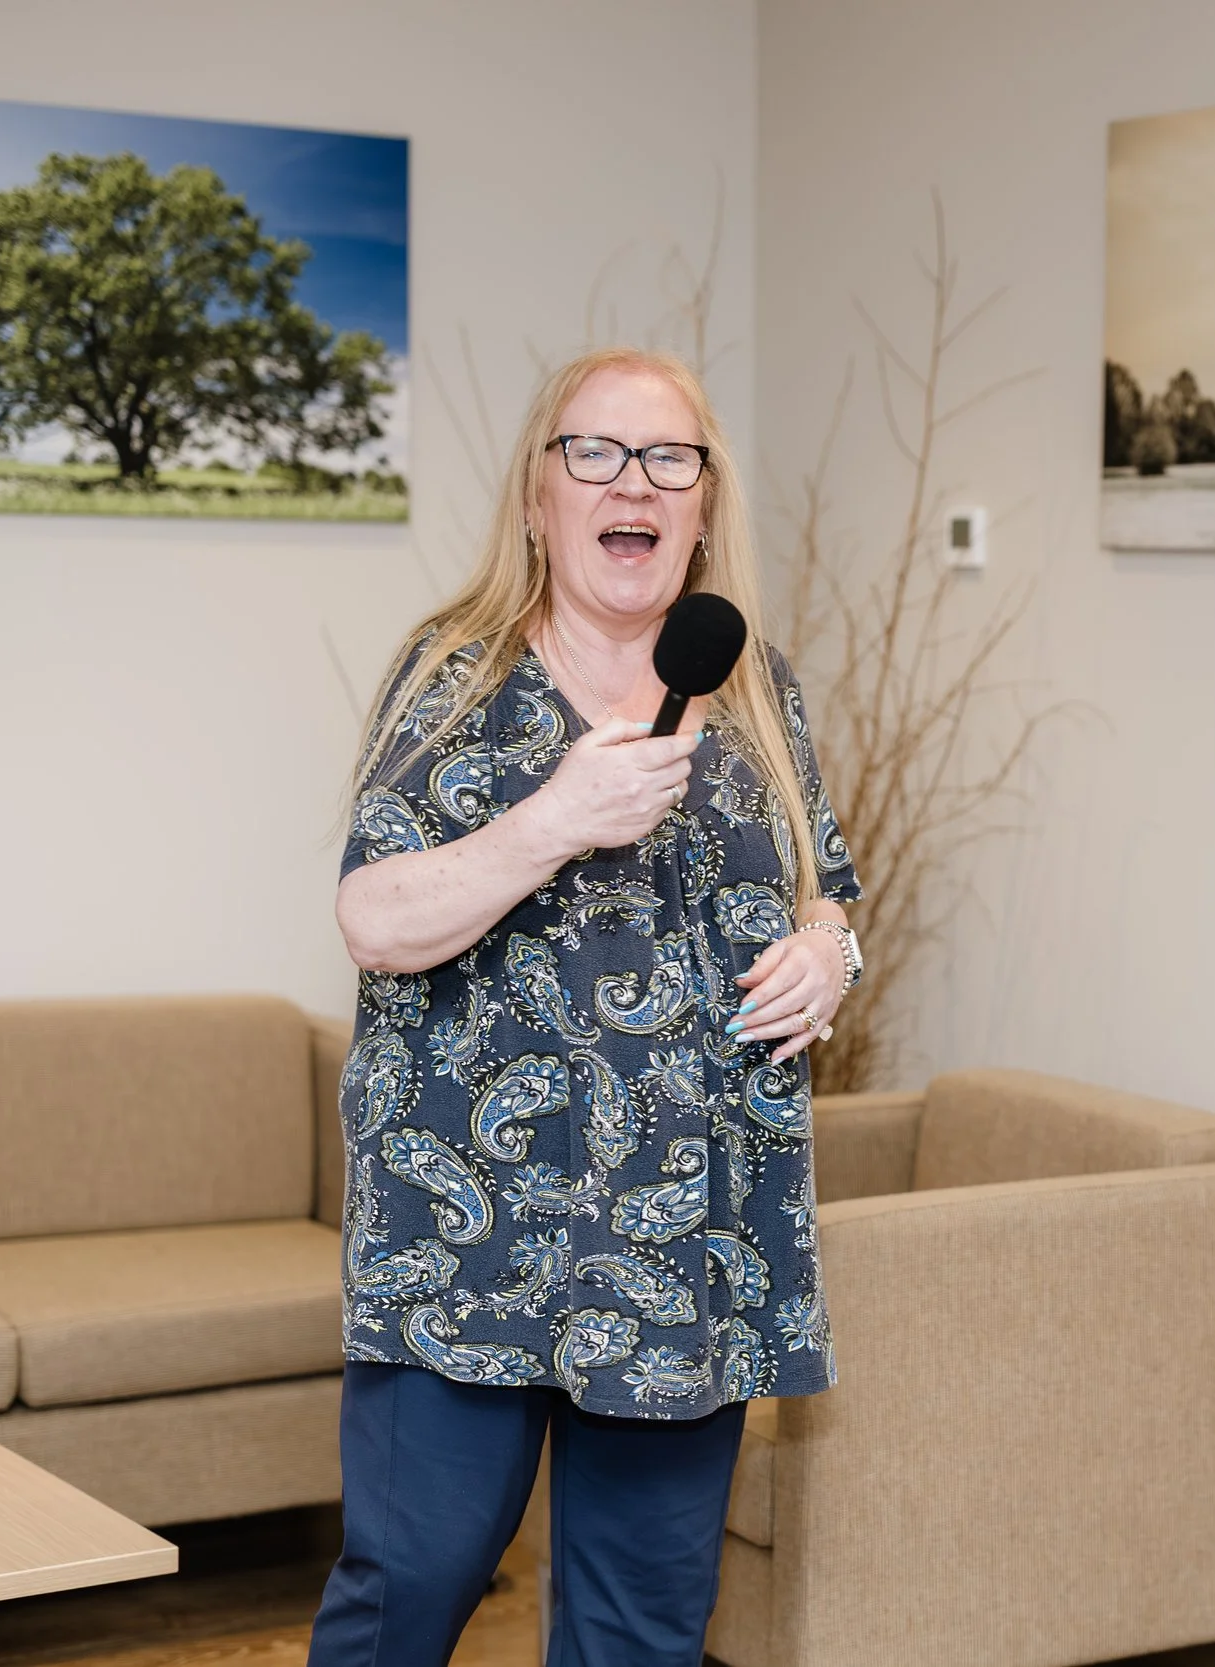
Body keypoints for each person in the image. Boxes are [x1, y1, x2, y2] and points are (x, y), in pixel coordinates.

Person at [308, 347, 863, 1666]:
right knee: (410, 1589)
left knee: (640, 1629)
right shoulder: (451, 676)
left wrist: (830, 955)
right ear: (537, 495)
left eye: (669, 457)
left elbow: (827, 892)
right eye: (595, 452)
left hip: (684, 1243)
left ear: (703, 502)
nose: (634, 482)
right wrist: (557, 816)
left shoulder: (757, 689)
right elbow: (374, 918)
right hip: (463, 1234)